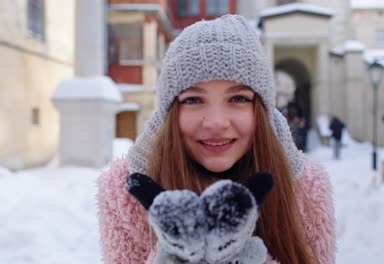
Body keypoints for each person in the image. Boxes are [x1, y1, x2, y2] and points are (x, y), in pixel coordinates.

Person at [97, 15, 335, 264]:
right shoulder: (126, 194)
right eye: (193, 100)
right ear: (170, 113)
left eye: (239, 99)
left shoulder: (305, 189)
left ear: (262, 111)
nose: (216, 122)